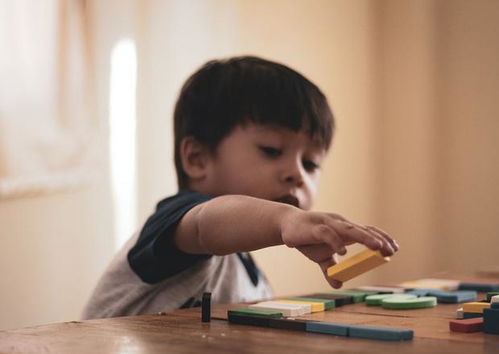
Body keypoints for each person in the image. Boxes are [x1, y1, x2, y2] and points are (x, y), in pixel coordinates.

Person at [82, 56, 398, 319]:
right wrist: (284, 219)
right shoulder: (179, 224)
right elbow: (209, 224)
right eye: (272, 150)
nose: (297, 174)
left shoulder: (253, 282)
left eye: (311, 163)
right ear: (198, 158)